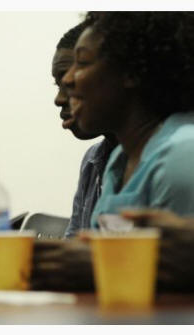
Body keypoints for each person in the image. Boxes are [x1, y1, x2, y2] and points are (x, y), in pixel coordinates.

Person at [62, 12, 194, 229]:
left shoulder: (182, 156)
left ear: (131, 73)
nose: (68, 79)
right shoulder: (120, 159)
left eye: (83, 63)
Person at [52, 22, 117, 238]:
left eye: (78, 72)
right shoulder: (93, 160)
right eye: (59, 84)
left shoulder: (170, 156)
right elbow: (75, 247)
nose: (60, 98)